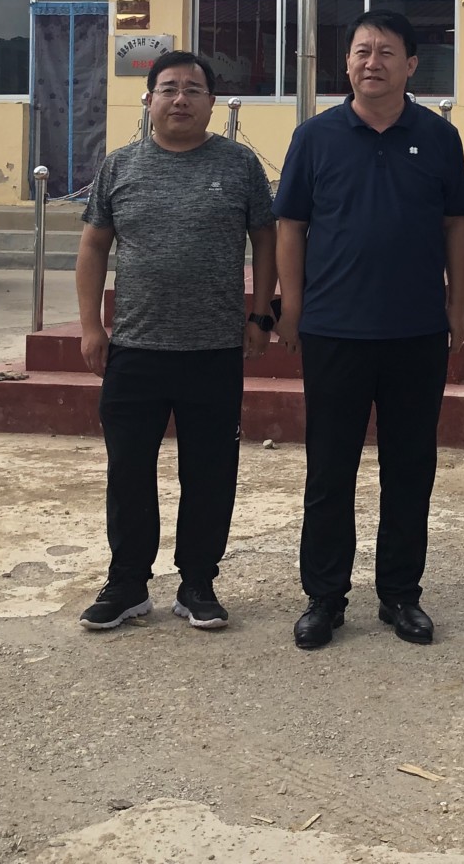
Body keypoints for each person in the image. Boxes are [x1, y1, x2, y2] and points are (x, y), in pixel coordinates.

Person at [275, 10, 464, 650]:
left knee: (409, 468)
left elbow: (456, 225)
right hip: (334, 329)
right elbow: (291, 226)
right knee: (329, 470)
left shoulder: (439, 137)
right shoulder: (315, 137)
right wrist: (291, 308)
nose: (372, 62)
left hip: (416, 330)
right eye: (362, 51)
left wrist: (458, 306)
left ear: (411, 65)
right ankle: (324, 597)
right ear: (347, 63)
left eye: (387, 52)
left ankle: (400, 595)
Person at [75, 50, 278, 633]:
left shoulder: (238, 164)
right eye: (168, 89)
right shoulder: (120, 166)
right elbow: (93, 246)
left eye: (193, 89)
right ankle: (127, 583)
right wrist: (91, 326)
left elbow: (265, 239)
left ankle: (198, 583)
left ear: (212, 102)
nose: (180, 99)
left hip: (213, 349)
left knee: (210, 473)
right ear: (149, 101)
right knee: (128, 471)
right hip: (135, 349)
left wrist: (261, 314)